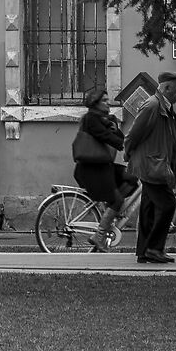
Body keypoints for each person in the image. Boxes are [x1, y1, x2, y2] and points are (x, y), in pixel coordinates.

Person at [124, 71, 176, 265]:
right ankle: (154, 249)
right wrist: (128, 154)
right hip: (151, 166)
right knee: (168, 204)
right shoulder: (152, 106)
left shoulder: (165, 107)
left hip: (155, 164)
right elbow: (133, 134)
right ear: (167, 88)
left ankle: (144, 251)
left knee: (148, 209)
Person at [70, 82, 128, 244]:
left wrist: (113, 125)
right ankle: (99, 235)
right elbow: (108, 138)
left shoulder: (104, 119)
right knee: (117, 199)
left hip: (103, 167)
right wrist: (118, 138)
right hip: (91, 171)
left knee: (131, 178)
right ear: (95, 103)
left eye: (108, 100)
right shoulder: (91, 119)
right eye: (104, 100)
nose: (108, 103)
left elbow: (119, 138)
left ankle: (111, 211)